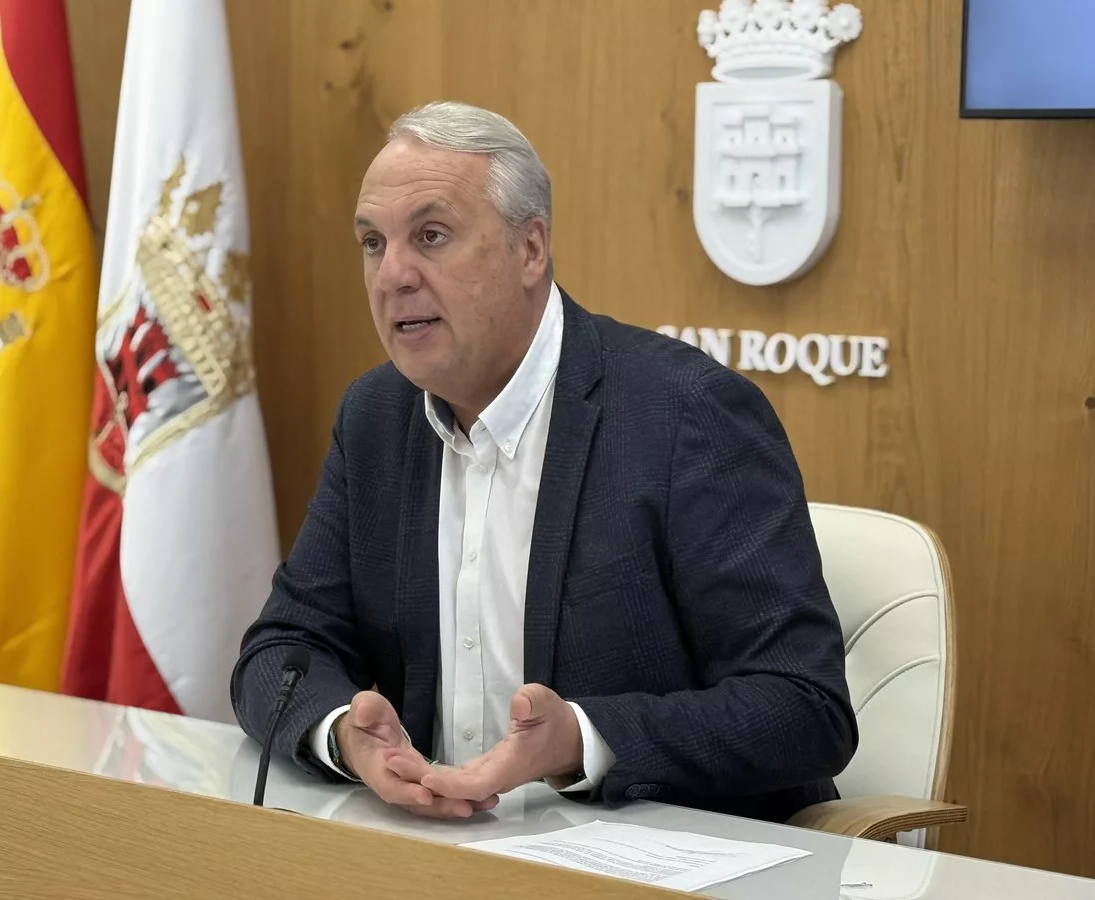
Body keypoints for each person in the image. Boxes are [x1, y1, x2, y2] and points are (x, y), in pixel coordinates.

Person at [231, 100, 857, 822]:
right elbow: (280, 651)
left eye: (431, 236)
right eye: (373, 242)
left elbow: (804, 705)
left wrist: (583, 741)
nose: (391, 275)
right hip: (435, 849)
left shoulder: (687, 416)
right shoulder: (375, 417)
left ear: (530, 250)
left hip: (656, 857)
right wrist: (344, 734)